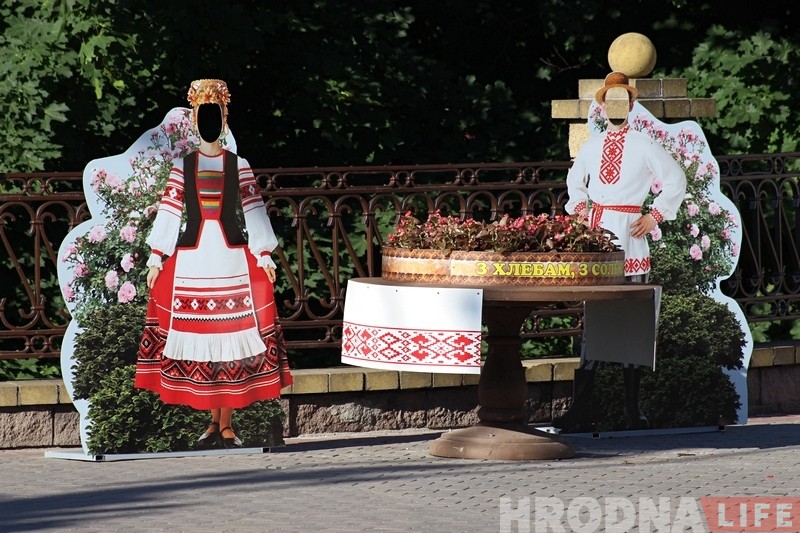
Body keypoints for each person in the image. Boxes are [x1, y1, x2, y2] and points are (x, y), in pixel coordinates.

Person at [135, 79, 293, 448]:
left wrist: (263, 252)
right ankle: (213, 422)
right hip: (193, 256)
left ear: (223, 120)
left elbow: (253, 208)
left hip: (228, 255)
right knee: (206, 335)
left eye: (215, 114)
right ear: (195, 120)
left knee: (228, 333)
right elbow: (172, 209)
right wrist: (156, 256)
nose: (208, 121)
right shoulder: (183, 165)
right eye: (203, 115)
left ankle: (226, 424)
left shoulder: (239, 165)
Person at [554, 71, 686, 432]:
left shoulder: (644, 144)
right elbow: (574, 184)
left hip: (629, 238)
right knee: (592, 321)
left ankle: (632, 410)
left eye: (621, 100)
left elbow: (675, 179)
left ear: (630, 104)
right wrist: (581, 210)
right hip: (598, 240)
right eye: (609, 100)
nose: (615, 106)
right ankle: (581, 410)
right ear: (602, 105)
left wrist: (654, 215)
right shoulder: (592, 146)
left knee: (631, 321)